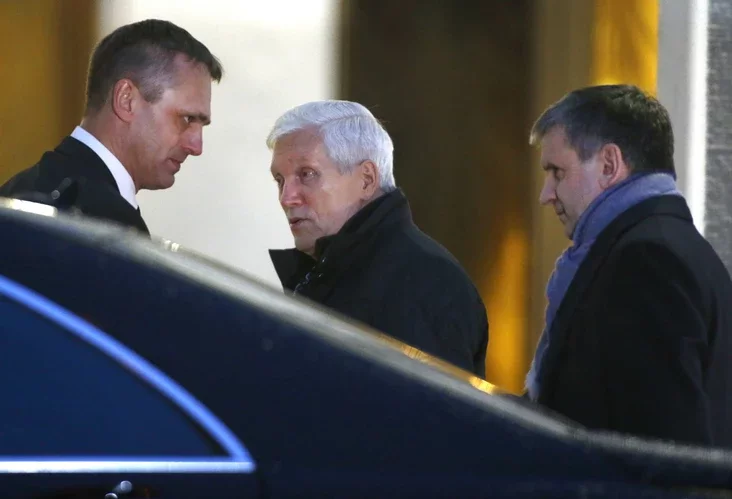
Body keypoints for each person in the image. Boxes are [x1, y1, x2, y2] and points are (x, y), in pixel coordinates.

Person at [526, 84, 732, 448]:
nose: (546, 194)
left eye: (557, 172)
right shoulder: (664, 246)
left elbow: (663, 450)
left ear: (609, 164)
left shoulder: (649, 260)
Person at [266, 100, 489, 376]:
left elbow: (422, 403)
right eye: (280, 180)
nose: (286, 198)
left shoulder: (424, 282)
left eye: (307, 174)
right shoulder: (331, 271)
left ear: (366, 180)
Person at [0, 19, 223, 235]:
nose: (196, 147)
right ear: (126, 100)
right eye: (187, 119)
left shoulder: (15, 192)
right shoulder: (102, 224)